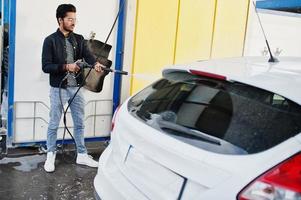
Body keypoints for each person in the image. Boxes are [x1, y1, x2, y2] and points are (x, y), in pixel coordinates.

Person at [42, 4, 104, 172]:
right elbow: (46, 66)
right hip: (58, 88)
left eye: (74, 19)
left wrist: (96, 64)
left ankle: (82, 155)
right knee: (54, 123)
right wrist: (66, 67)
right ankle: (50, 154)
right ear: (60, 20)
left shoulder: (79, 38)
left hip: (76, 87)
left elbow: (88, 56)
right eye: (69, 19)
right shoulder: (50, 40)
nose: (73, 22)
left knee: (79, 122)